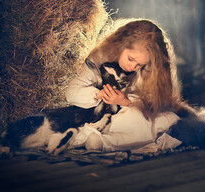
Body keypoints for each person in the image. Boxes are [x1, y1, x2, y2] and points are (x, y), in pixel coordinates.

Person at [65, 19, 184, 152]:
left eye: (140, 64)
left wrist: (126, 102)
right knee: (140, 126)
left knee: (170, 120)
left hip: (131, 114)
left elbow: (152, 102)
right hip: (101, 114)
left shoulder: (151, 69)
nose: (133, 67)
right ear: (120, 45)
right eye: (131, 59)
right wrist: (99, 94)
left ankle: (101, 140)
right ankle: (103, 141)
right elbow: (72, 93)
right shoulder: (99, 57)